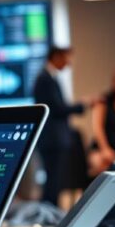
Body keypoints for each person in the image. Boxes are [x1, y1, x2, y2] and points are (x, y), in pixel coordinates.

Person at [33, 46, 88, 206]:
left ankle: (49, 214)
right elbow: (55, 108)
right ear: (56, 57)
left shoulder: (49, 77)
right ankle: (48, 215)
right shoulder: (44, 78)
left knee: (55, 181)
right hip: (52, 140)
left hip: (55, 139)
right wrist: (81, 106)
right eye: (66, 58)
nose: (68, 63)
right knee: (53, 181)